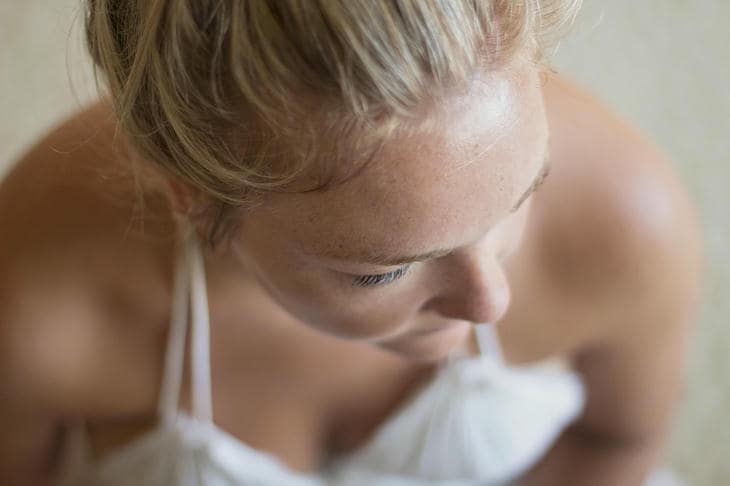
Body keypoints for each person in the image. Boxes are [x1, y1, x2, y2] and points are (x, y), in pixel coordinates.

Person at [0, 1, 702, 485]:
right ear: (195, 196)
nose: (490, 301)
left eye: (519, 199)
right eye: (381, 272)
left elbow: (618, 442)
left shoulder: (629, 216)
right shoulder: (35, 305)